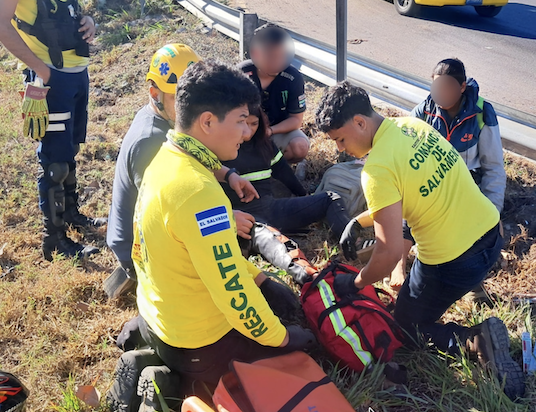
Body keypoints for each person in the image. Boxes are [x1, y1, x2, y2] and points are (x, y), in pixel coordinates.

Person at [315, 82, 525, 400]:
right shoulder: (412, 126)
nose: (342, 149)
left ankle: (477, 341)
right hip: (492, 237)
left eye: (341, 139)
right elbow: (412, 190)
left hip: (455, 262)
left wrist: (356, 284)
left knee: (406, 328)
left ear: (359, 122)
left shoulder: (375, 171)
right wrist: (360, 220)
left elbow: (387, 254)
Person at [126, 60, 316, 394]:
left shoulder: (165, 158)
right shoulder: (200, 192)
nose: (248, 132)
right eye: (242, 121)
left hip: (157, 315)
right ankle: (170, 383)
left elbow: (206, 255)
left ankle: (153, 355)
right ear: (208, 121)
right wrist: (282, 337)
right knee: (302, 351)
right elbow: (233, 293)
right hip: (197, 343)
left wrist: (261, 279)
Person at [0, 0, 101, 261]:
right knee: (53, 160)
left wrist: (89, 23)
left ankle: (71, 214)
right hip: (50, 76)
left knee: (70, 149)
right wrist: (41, 70)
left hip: (76, 73)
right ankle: (54, 239)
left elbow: (76, 13)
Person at [104, 44, 259, 299]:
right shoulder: (151, 140)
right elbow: (166, 206)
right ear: (154, 93)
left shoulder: (163, 119)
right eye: (175, 96)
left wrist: (228, 175)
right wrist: (227, 219)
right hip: (138, 247)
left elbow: (193, 150)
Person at [392, 58, 507, 289]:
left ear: (462, 87)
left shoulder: (481, 113)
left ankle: (472, 278)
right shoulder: (423, 111)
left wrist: (492, 212)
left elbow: (493, 168)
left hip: (467, 182)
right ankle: (398, 266)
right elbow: (402, 152)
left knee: (465, 226)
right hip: (431, 179)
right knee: (409, 208)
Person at [220, 104, 359, 256]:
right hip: (244, 217)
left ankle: (353, 242)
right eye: (244, 123)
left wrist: (303, 195)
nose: (248, 131)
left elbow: (283, 172)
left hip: (272, 208)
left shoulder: (264, 145)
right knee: (265, 243)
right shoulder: (221, 148)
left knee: (330, 198)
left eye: (254, 124)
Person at [239, 24, 310, 163]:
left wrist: (269, 131)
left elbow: (296, 120)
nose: (277, 62)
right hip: (243, 131)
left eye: (281, 56)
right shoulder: (241, 73)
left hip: (276, 132)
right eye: (271, 56)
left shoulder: (293, 78)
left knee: (299, 146)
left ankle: (279, 168)